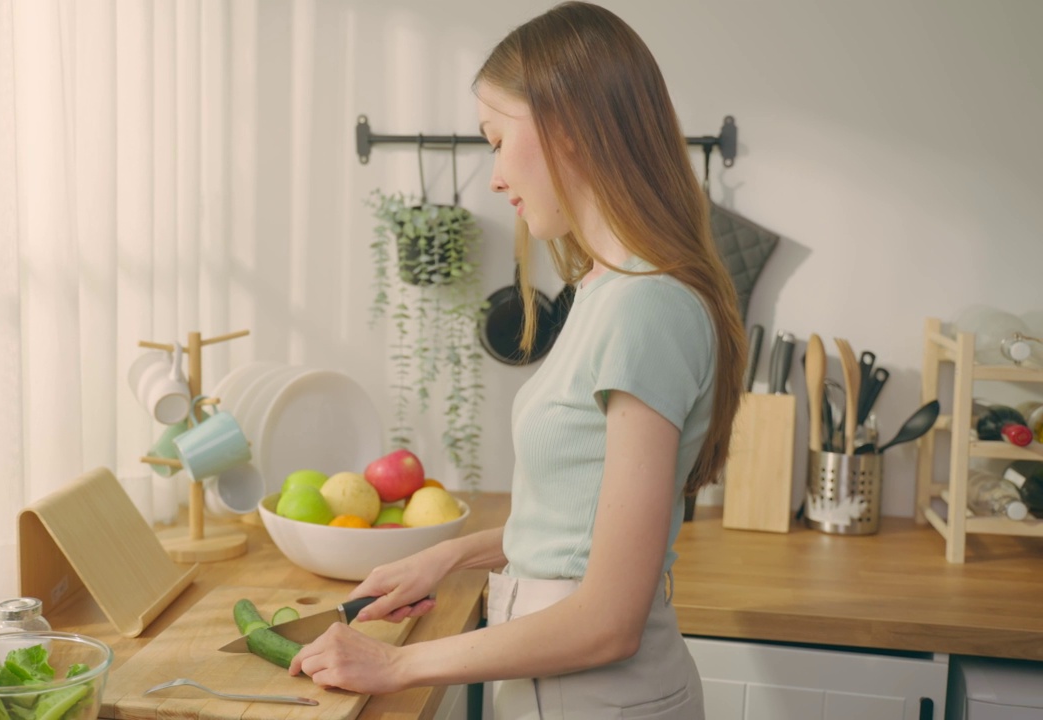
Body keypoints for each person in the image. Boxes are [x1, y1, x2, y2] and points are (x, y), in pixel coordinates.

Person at [290, 2, 745, 717]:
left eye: (498, 140)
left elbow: (608, 620)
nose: (495, 176)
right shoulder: (605, 291)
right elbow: (575, 527)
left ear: (567, 127)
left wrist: (398, 663)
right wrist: (446, 556)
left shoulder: (647, 307)